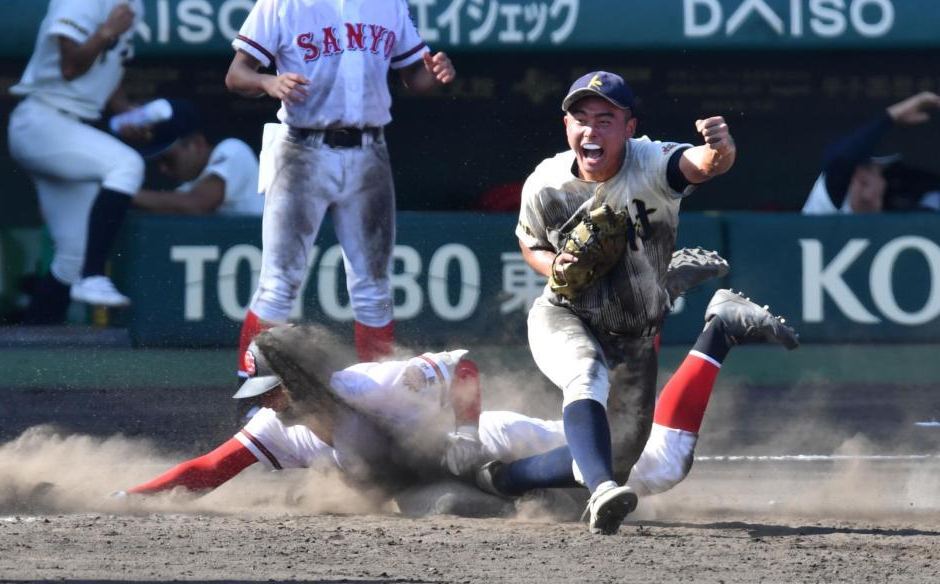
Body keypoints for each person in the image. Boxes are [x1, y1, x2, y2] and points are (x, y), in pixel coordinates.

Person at [121, 288, 798, 521]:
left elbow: (462, 366)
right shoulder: (284, 426)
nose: (263, 404)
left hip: (493, 445)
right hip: (464, 483)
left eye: (268, 389)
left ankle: (717, 328)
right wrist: (136, 495)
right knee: (457, 505)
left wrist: (469, 431)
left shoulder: (365, 386)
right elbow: (209, 469)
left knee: (654, 467)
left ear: (294, 381)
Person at [496, 70, 738, 534]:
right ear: (566, 126)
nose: (591, 130)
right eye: (580, 118)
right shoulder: (546, 183)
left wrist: (720, 147)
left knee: (622, 453)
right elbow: (529, 243)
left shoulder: (650, 162)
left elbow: (703, 164)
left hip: (632, 335)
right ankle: (602, 489)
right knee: (584, 374)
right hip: (565, 313)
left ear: (629, 128)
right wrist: (554, 267)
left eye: (605, 120)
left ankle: (506, 477)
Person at [223, 0, 456, 377]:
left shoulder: (388, 4)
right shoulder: (283, 4)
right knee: (279, 282)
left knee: (373, 287)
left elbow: (415, 75)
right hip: (301, 149)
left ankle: (378, 393)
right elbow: (237, 74)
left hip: (369, 151)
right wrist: (269, 82)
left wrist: (437, 74)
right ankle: (254, 392)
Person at [8, 0, 147, 323]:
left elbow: (108, 66)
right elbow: (70, 67)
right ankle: (94, 275)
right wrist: (108, 31)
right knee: (127, 165)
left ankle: (31, 340)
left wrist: (124, 108)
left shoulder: (133, 5)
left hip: (68, 125)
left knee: (73, 254)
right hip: (40, 120)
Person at [802, 91, 940, 215]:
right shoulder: (826, 203)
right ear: (863, 181)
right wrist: (892, 116)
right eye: (879, 175)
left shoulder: (874, 220)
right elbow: (840, 159)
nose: (885, 184)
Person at [133, 99, 265, 216]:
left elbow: (198, 203)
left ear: (197, 144)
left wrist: (125, 191)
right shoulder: (188, 187)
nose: (163, 169)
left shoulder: (232, 149)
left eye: (168, 160)